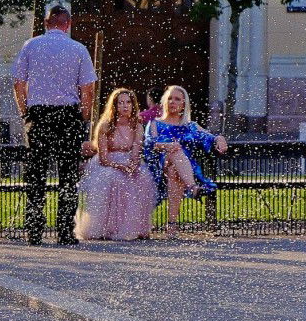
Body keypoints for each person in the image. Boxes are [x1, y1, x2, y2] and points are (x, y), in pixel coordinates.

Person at [12, 5, 97, 245]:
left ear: (46, 23)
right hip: (68, 116)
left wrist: (24, 111)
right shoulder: (78, 49)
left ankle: (35, 230)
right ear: (68, 24)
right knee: (68, 176)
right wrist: (84, 115)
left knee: (36, 175)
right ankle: (65, 231)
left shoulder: (31, 45)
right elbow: (88, 88)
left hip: (39, 115)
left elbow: (19, 82)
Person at [75, 88, 158, 241]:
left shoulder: (137, 126)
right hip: (108, 164)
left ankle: (137, 228)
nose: (125, 106)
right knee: (113, 179)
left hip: (128, 161)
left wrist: (132, 165)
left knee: (143, 178)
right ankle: (109, 227)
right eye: (120, 103)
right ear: (114, 106)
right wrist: (120, 167)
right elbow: (103, 158)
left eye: (128, 102)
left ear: (133, 105)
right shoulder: (105, 126)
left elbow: (136, 151)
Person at [143, 85, 227, 234]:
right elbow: (149, 144)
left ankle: (172, 225)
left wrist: (219, 138)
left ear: (183, 104)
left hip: (182, 170)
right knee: (176, 151)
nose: (172, 102)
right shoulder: (155, 123)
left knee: (175, 172)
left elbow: (209, 137)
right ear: (164, 102)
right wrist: (167, 146)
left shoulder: (190, 126)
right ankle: (193, 189)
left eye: (177, 99)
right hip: (158, 166)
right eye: (169, 98)